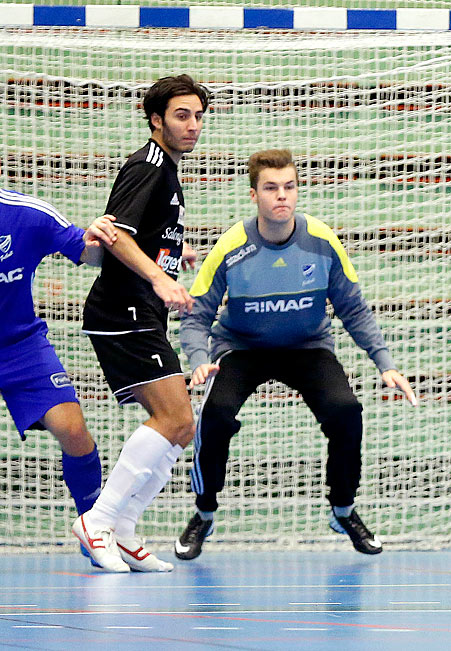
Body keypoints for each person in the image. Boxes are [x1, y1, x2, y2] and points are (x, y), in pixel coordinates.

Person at [175, 149, 417, 560]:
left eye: (289, 186)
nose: (281, 196)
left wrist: (386, 363)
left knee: (346, 411)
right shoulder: (231, 247)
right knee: (214, 416)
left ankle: (343, 510)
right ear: (254, 195)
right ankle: (204, 512)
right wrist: (199, 359)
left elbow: (353, 309)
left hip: (307, 348)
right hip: (240, 348)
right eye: (271, 188)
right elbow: (196, 318)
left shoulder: (322, 242)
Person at [74, 74, 210, 573]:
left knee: (182, 426)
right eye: (181, 115)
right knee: (174, 419)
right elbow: (113, 234)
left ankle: (125, 529)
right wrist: (159, 278)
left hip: (139, 311)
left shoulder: (167, 170)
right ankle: (99, 520)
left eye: (198, 116)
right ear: (156, 120)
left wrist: (174, 254)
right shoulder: (148, 165)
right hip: (123, 309)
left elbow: (144, 234)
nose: (193, 125)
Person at [0, 191, 118, 561]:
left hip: (20, 345)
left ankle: (92, 525)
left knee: (73, 429)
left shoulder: (28, 215)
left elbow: (88, 253)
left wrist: (100, 239)